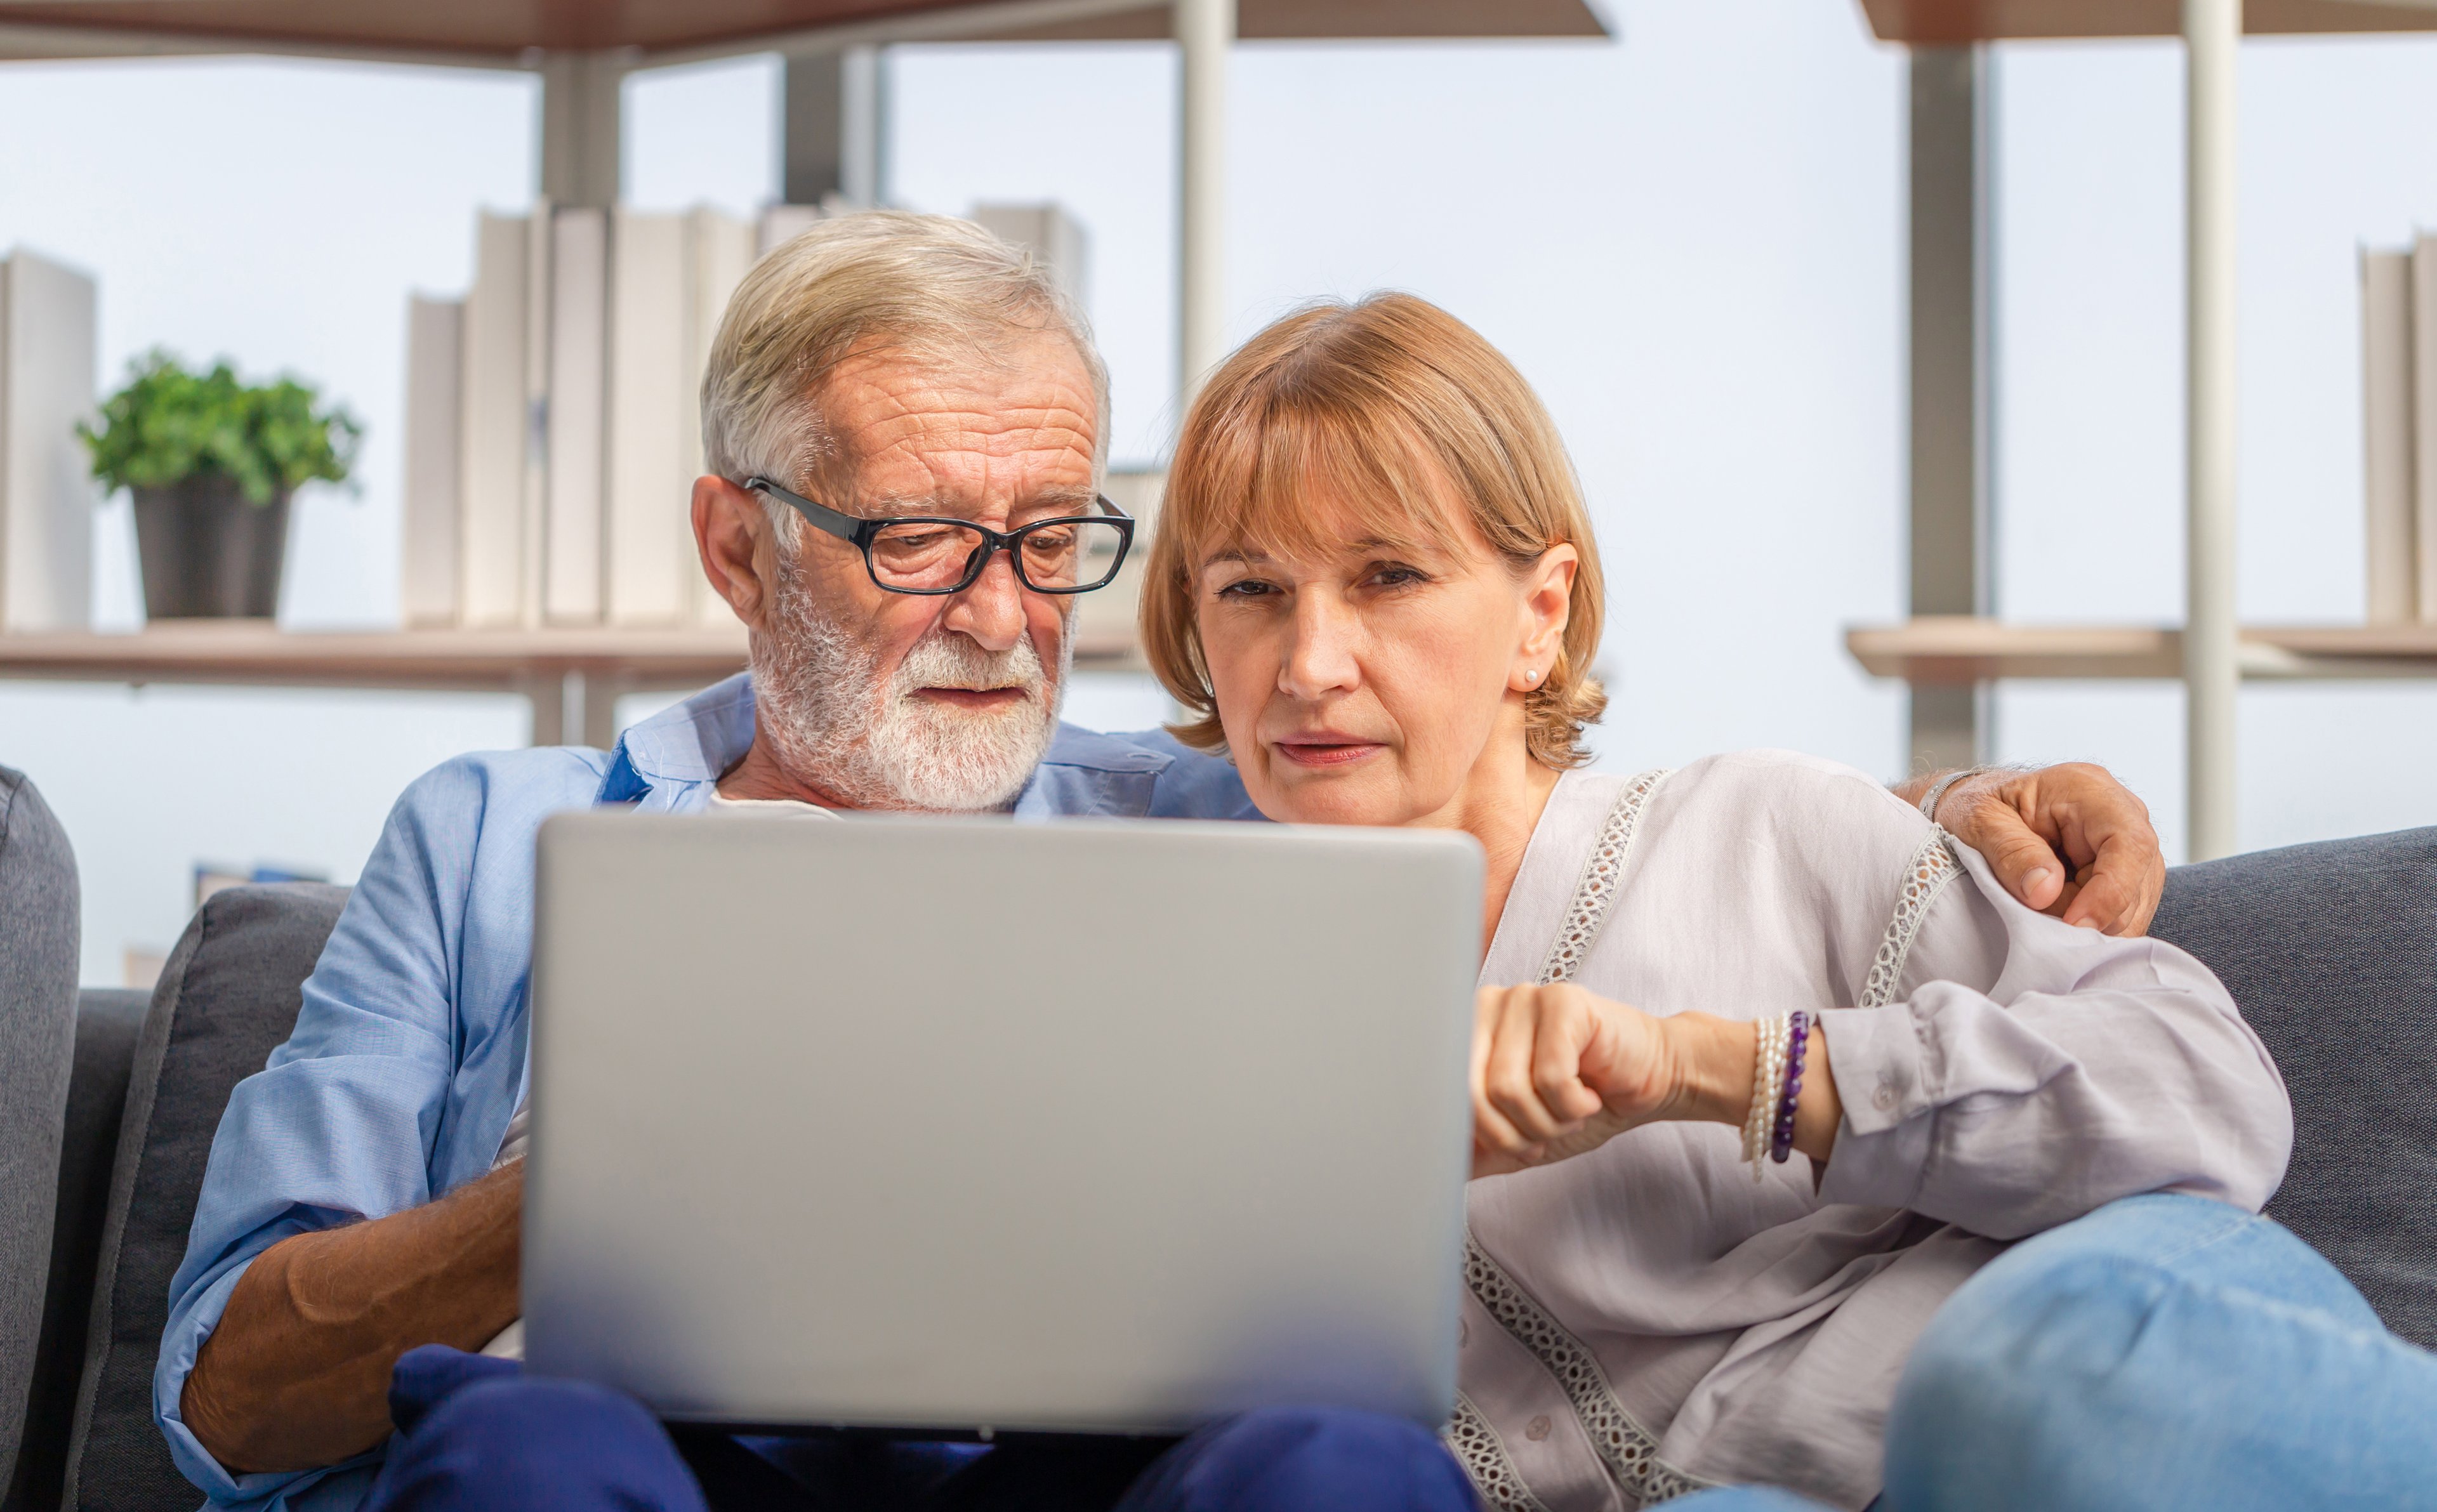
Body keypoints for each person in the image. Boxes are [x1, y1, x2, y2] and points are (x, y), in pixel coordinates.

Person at [163, 214, 2169, 1512]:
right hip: (621, 1457)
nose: (1002, 611)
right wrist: (595, 1194)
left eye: (1052, 539)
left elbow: (1523, 799)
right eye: (920, 537)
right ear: (734, 544)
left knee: (1339, 1466)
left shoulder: (1219, 822)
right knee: (521, 1448)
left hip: (1091, 1481)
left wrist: (1952, 827)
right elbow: (226, 1398)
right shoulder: (488, 839)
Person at [1135, 291, 2437, 1511]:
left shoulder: (1752, 828)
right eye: (1250, 588)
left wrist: (1717, 1067)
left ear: (1541, 613)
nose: (1308, 662)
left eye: (1385, 576)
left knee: (2035, 1387)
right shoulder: (1195, 997)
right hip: (1748, 1490)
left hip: (2040, 1382)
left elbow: (2202, 1082)